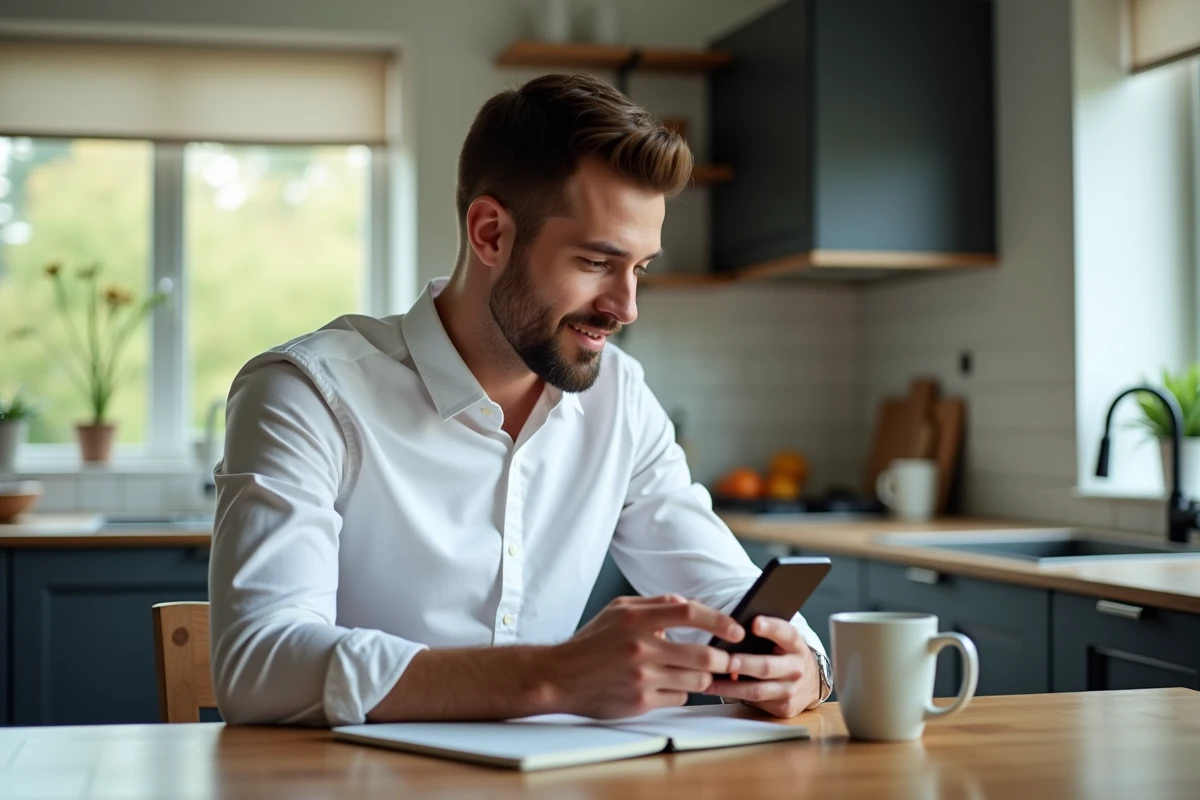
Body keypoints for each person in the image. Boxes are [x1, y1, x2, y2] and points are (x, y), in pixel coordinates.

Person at [208, 73, 832, 726]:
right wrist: (552, 676)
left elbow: (725, 591)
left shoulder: (620, 399)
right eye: (596, 262)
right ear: (490, 234)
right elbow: (259, 666)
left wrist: (801, 667)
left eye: (640, 268)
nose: (627, 306)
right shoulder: (306, 394)